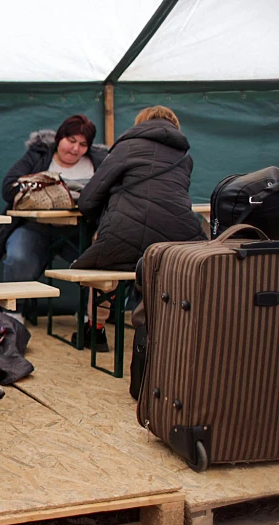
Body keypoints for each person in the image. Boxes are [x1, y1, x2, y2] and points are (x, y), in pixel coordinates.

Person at [70, 105, 205, 349]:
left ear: (140, 124)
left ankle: (96, 330)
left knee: (104, 252)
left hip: (123, 234)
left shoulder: (127, 147)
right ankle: (168, 333)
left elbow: (88, 199)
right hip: (178, 239)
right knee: (170, 269)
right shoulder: (185, 158)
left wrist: (99, 217)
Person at [0, 114, 108, 318]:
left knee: (100, 259)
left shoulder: (100, 162)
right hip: (36, 227)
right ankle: (13, 315)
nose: (75, 148)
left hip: (80, 229)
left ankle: (89, 316)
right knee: (18, 257)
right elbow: (8, 187)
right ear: (59, 138)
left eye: (83, 144)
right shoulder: (39, 155)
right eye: (71, 140)